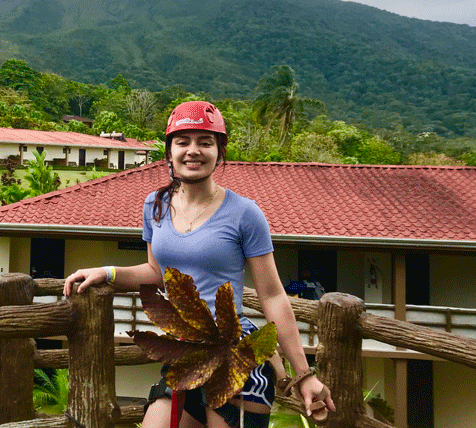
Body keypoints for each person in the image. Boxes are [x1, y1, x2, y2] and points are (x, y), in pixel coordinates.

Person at [64, 101, 335, 428]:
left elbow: (273, 295)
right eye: (183, 141)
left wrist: (304, 375)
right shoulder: (156, 205)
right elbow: (156, 274)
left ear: (220, 152)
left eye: (205, 142)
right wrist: (106, 272)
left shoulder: (244, 213)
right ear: (169, 151)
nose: (193, 150)